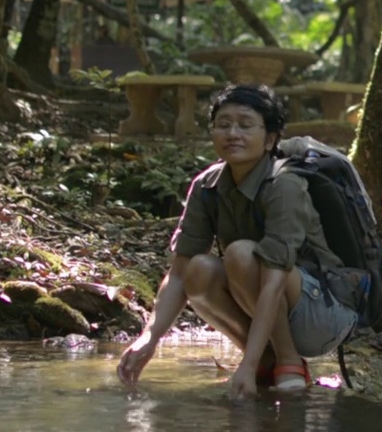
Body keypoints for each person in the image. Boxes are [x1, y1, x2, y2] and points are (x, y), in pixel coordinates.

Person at [116, 83, 358, 398]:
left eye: (245, 125)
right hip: (269, 307)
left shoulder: (285, 184)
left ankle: (288, 362)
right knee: (199, 270)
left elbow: (272, 281)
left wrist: (246, 363)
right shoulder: (207, 185)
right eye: (224, 124)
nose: (233, 133)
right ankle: (266, 360)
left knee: (240, 254)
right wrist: (148, 339)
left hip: (322, 314)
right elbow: (178, 273)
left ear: (270, 139)